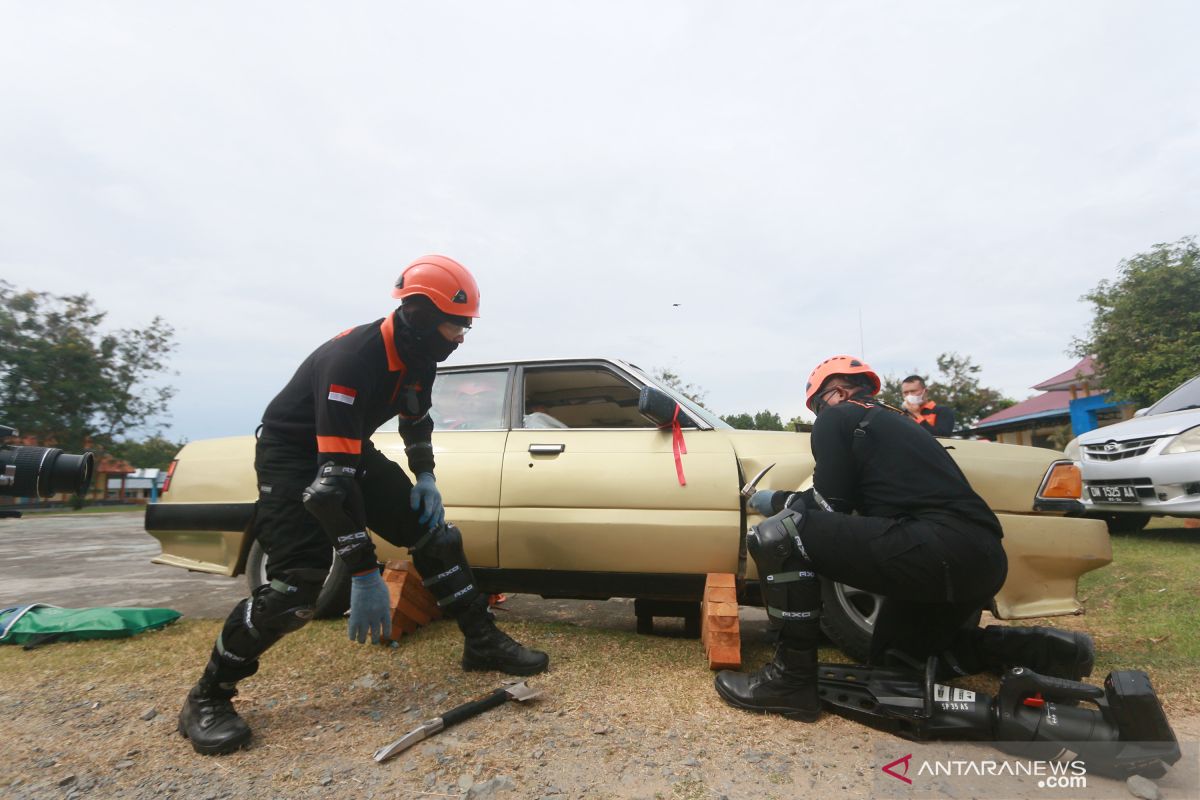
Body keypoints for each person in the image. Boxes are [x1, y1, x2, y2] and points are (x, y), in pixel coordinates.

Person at [179, 255, 549, 755]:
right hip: (294, 455)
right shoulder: (350, 361)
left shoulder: (419, 355)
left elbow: (415, 417)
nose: (462, 335)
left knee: (435, 533)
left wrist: (425, 477)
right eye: (455, 324)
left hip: (349, 449)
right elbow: (333, 488)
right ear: (419, 316)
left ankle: (481, 642)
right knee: (297, 587)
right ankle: (208, 696)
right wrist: (362, 572)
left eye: (466, 325)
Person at [715, 355, 1092, 721]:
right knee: (897, 664)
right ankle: (1051, 652)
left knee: (780, 535)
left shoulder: (841, 416)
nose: (819, 417)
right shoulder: (900, 425)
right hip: (980, 559)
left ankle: (790, 681)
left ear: (839, 393)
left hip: (935, 549)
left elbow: (829, 507)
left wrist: (776, 501)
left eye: (818, 407)